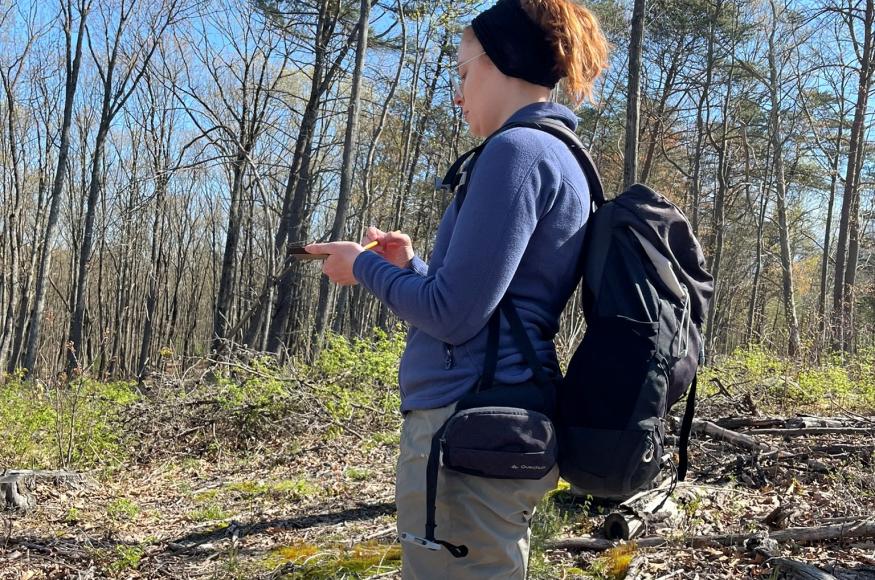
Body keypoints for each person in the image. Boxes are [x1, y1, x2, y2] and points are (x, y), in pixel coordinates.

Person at [307, 0, 609, 577]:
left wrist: (362, 267)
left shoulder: (517, 154)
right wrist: (410, 266)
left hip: (466, 428)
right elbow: (494, 307)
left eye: (464, 71)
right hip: (498, 416)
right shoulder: (562, 154)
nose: (457, 92)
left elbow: (451, 316)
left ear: (502, 62)